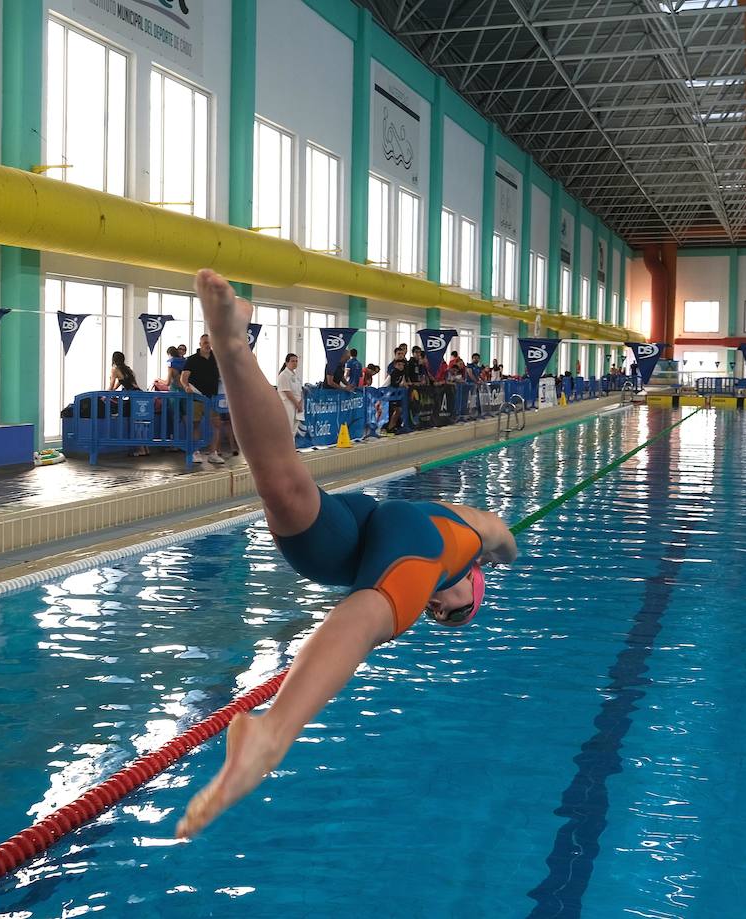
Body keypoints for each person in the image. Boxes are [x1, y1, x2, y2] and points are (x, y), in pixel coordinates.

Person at [174, 269, 518, 839]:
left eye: (441, 618)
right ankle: (274, 731)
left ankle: (235, 346)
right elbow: (502, 534)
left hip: (360, 536)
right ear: (473, 583)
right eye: (457, 611)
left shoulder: (435, 573)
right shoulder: (467, 546)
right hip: (416, 537)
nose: (439, 613)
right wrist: (510, 552)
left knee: (282, 488)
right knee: (374, 614)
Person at [180, 334, 226, 465]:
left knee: (217, 424)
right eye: (205, 342)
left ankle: (213, 453)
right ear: (200, 344)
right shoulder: (192, 359)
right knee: (195, 424)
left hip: (212, 397)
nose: (207, 345)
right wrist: (186, 386)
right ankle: (195, 452)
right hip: (196, 397)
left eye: (209, 343)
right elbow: (183, 378)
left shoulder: (216, 359)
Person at [276, 352, 304, 439]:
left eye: (296, 361)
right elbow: (288, 393)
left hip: (297, 404)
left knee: (294, 429)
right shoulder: (283, 375)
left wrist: (301, 402)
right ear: (287, 362)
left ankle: (292, 448)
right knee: (288, 428)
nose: (295, 363)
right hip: (288, 405)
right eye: (292, 361)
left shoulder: (295, 376)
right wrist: (297, 404)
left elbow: (300, 391)